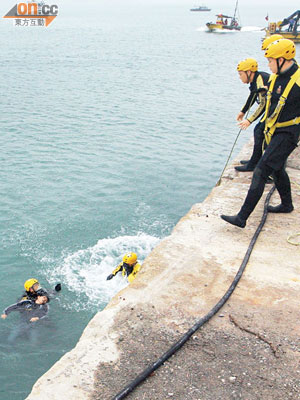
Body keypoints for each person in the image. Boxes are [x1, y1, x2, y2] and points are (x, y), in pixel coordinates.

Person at [221, 39, 300, 228]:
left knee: (261, 171)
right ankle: (287, 205)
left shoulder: (297, 81)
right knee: (277, 167)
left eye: (271, 60)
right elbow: (265, 102)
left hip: (288, 133)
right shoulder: (274, 77)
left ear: (282, 59)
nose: (268, 65)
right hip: (274, 129)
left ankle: (242, 217)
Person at [235, 58, 269, 172]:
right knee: (258, 131)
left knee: (259, 131)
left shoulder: (261, 82)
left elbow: (263, 105)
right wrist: (243, 111)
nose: (239, 77)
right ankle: (254, 161)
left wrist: (249, 120)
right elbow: (253, 96)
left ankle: (253, 165)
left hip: (277, 110)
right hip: (272, 109)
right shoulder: (255, 80)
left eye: (240, 74)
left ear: (249, 72)